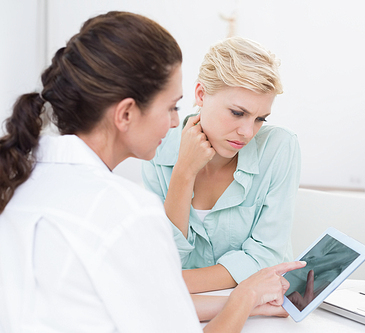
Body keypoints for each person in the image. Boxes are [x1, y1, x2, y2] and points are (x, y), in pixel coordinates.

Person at [0, 11, 305, 333]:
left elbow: (144, 298)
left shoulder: (23, 179)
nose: (176, 121)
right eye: (172, 107)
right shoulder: (129, 211)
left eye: (260, 118)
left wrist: (237, 299)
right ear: (127, 113)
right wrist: (244, 296)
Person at [142, 36, 301, 293]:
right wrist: (183, 172)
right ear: (201, 94)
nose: (248, 132)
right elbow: (164, 256)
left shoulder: (280, 147)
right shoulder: (158, 149)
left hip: (260, 309)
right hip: (188, 310)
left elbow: (265, 256)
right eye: (238, 113)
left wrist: (174, 283)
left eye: (260, 118)